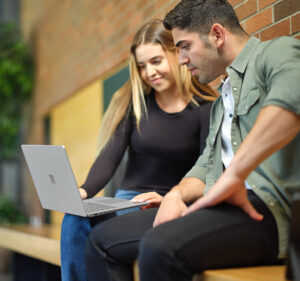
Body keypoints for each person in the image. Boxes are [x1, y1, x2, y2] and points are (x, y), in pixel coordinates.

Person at [85, 1, 300, 281]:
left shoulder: (276, 52)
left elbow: (291, 101)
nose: (182, 59)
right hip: (221, 208)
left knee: (158, 248)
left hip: (268, 211)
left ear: (217, 35)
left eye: (184, 46)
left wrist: (234, 175)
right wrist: (175, 195)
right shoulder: (221, 102)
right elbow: (203, 167)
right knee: (102, 240)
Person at [60, 19, 217, 281]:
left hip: (167, 204)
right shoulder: (135, 104)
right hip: (124, 201)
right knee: (74, 218)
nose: (149, 72)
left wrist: (171, 198)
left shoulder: (205, 109)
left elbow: (206, 169)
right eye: (142, 66)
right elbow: (109, 156)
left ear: (176, 53)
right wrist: (84, 190)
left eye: (156, 61)